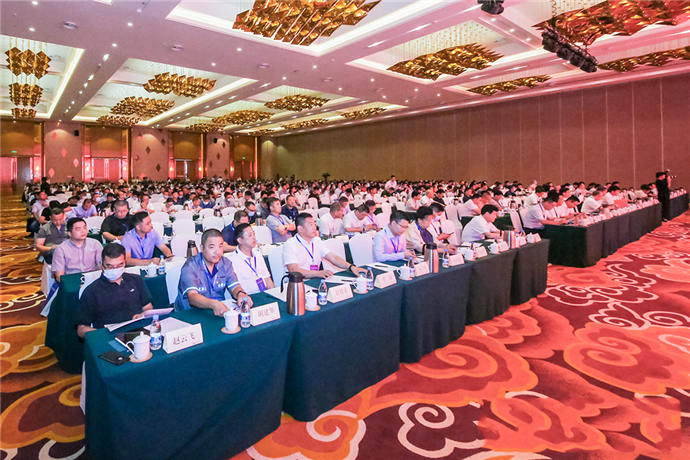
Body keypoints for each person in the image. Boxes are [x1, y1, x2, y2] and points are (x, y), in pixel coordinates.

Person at [77, 243, 153, 338]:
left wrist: (142, 315)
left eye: (119, 265)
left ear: (124, 263)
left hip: (138, 333)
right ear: (102, 265)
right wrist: (102, 334)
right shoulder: (91, 291)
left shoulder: (136, 280)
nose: (114, 269)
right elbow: (81, 329)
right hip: (108, 337)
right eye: (109, 266)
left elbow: (148, 308)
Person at [175, 229, 252, 314]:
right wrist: (213, 304)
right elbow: (193, 297)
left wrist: (240, 294)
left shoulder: (226, 263)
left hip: (219, 310)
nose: (217, 251)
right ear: (202, 248)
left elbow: (234, 286)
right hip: (190, 313)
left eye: (220, 246)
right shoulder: (191, 266)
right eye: (212, 247)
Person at [283, 213, 366, 279]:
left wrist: (351, 267)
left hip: (314, 279)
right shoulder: (290, 244)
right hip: (297, 283)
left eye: (314, 224)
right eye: (311, 225)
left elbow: (333, 258)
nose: (314, 228)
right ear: (300, 229)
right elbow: (294, 270)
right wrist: (318, 273)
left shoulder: (316, 240)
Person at [227, 223, 274, 294]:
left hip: (265, 293)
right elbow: (236, 288)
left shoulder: (258, 254)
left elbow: (268, 279)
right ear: (240, 240)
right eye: (250, 235)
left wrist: (273, 294)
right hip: (248, 296)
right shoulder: (232, 261)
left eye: (254, 234)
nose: (254, 237)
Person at [51, 217, 103, 282]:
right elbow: (59, 276)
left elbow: (102, 266)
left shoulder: (95, 244)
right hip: (72, 281)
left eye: (84, 228)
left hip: (93, 280)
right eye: (78, 229)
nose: (83, 231)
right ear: (69, 233)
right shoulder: (61, 249)